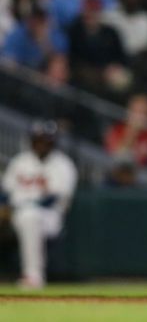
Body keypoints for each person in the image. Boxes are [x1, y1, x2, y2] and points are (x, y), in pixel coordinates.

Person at [1, 120, 77, 289]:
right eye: (38, 139)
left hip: (49, 217)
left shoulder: (63, 164)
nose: (42, 144)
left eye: (46, 140)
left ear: (53, 142)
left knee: (29, 215)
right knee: (25, 215)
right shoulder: (20, 161)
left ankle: (33, 276)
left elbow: (53, 199)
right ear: (32, 140)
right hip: (14, 214)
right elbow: (5, 192)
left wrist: (16, 206)